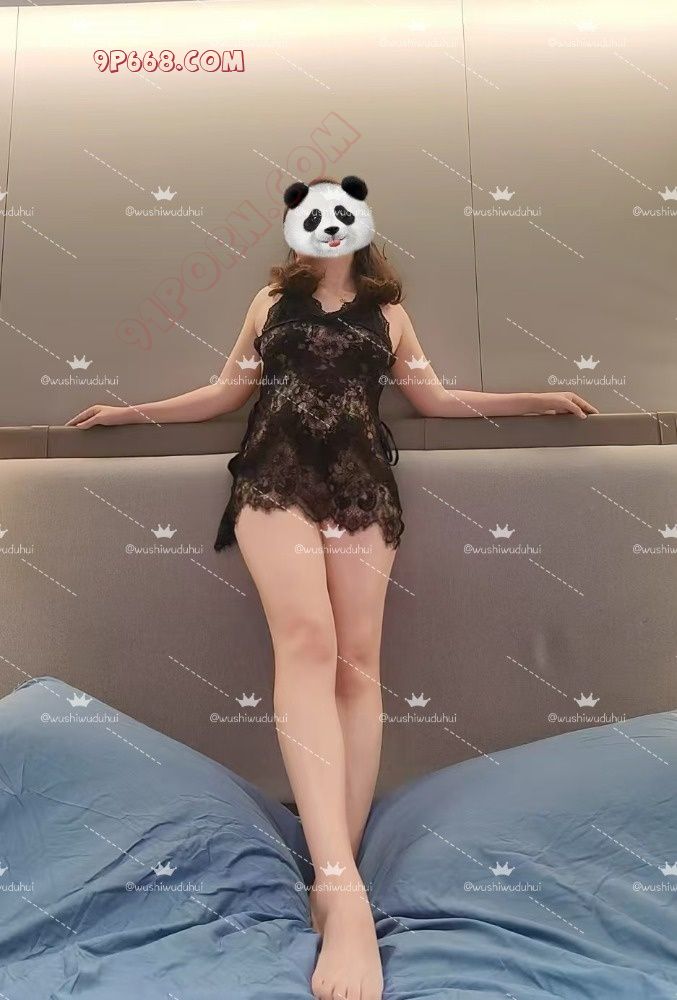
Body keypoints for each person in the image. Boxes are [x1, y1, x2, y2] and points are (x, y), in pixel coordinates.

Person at [68, 176, 598, 1000]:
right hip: (275, 475)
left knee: (357, 663)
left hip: (358, 482)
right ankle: (344, 894)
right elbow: (227, 392)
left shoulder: (389, 313)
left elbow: (430, 397)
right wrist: (129, 412)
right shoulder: (267, 303)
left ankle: (333, 870)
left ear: (359, 222)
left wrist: (532, 400)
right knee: (308, 644)